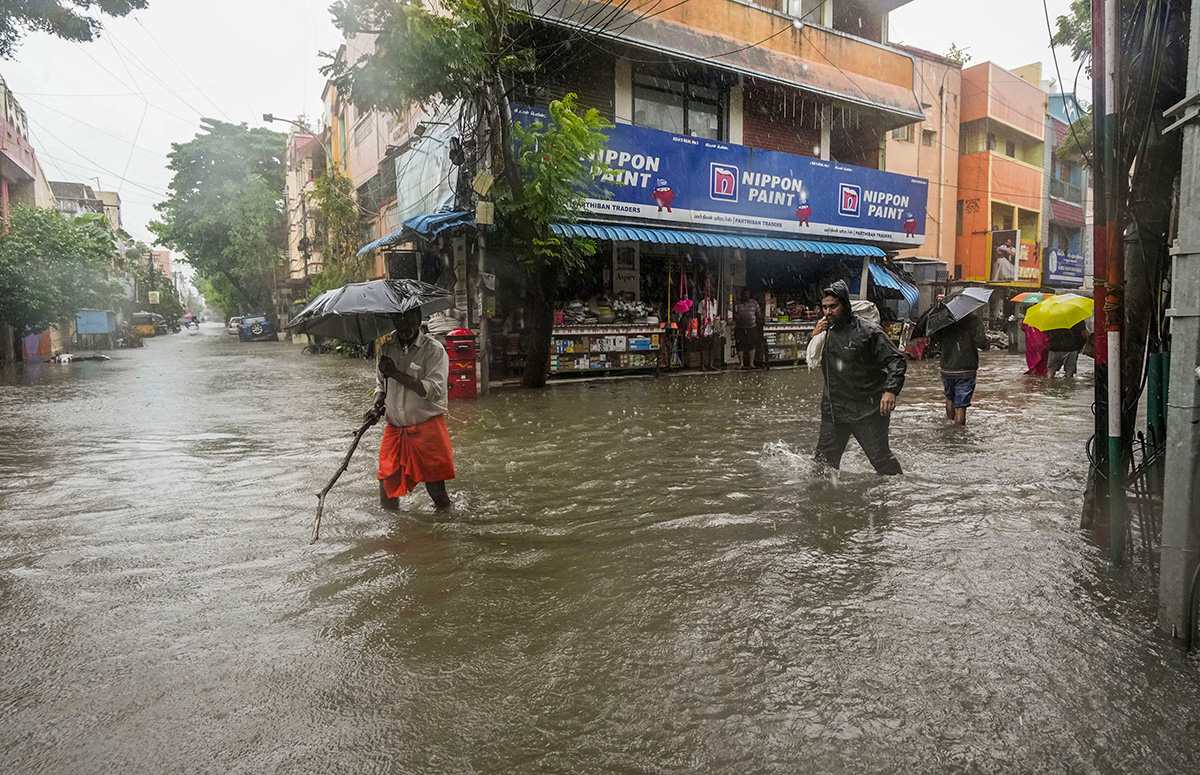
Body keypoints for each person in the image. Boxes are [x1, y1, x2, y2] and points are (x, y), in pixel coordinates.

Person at [812, 280, 907, 475]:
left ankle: (897, 493)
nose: (828, 312)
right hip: (834, 409)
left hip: (868, 408)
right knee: (822, 465)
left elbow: (896, 360)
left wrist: (890, 391)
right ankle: (824, 502)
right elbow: (812, 358)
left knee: (881, 460)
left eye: (833, 307)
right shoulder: (824, 333)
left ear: (845, 305)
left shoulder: (868, 332)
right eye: (824, 307)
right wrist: (814, 336)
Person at [368, 307, 455, 510]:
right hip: (395, 428)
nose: (404, 325)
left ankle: (444, 528)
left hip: (427, 427)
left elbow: (433, 390)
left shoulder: (433, 350)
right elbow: (382, 385)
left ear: (418, 318)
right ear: (393, 321)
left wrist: (396, 373)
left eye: (409, 319)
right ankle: (392, 534)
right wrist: (376, 407)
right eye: (399, 320)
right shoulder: (386, 349)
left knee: (436, 491)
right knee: (387, 483)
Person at [931, 309, 988, 425]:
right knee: (961, 405)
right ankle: (958, 436)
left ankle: (950, 427)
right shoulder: (974, 321)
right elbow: (981, 342)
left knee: (949, 397)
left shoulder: (943, 321)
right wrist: (987, 343)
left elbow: (936, 339)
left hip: (947, 367)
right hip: (966, 368)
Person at [733, 289, 762, 370]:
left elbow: (758, 314)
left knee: (752, 345)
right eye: (745, 294)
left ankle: (751, 363)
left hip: (752, 327)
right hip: (740, 327)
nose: (746, 295)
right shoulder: (737, 304)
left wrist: (760, 319)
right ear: (741, 295)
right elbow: (733, 314)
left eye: (748, 294)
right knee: (740, 346)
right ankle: (741, 364)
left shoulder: (754, 303)